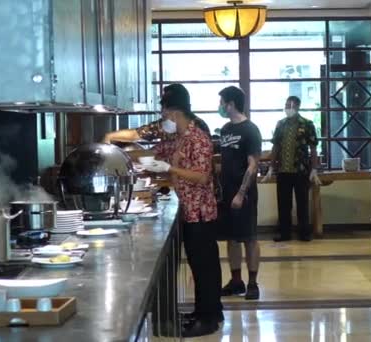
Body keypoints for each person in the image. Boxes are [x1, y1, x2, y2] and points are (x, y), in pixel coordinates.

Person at [141, 84, 222, 337]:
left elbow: (201, 176)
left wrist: (169, 169)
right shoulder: (179, 137)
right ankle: (204, 311)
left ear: (174, 113)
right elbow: (159, 154)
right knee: (199, 266)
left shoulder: (197, 137)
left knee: (204, 265)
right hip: (187, 210)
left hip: (200, 211)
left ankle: (208, 319)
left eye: (164, 115)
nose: (163, 120)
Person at [217, 86, 263, 300]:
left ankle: (253, 283)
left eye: (222, 102)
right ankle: (236, 281)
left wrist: (241, 193)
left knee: (249, 238)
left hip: (244, 194)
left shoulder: (250, 130)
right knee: (231, 239)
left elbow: (252, 165)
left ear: (231, 104)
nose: (220, 106)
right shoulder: (225, 129)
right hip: (225, 192)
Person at [261, 96, 320, 242]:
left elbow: (313, 148)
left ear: (298, 106)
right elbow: (275, 147)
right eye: (286, 105)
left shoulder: (307, 124)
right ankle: (284, 233)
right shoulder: (280, 124)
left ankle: (304, 233)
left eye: (291, 105)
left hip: (301, 170)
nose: (288, 108)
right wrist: (270, 168)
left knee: (302, 203)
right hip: (283, 170)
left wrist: (314, 169)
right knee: (283, 204)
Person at [102, 84, 210, 144]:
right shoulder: (166, 125)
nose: (162, 114)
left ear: (174, 111)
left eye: (164, 109)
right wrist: (110, 136)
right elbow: (137, 134)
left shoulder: (199, 130)